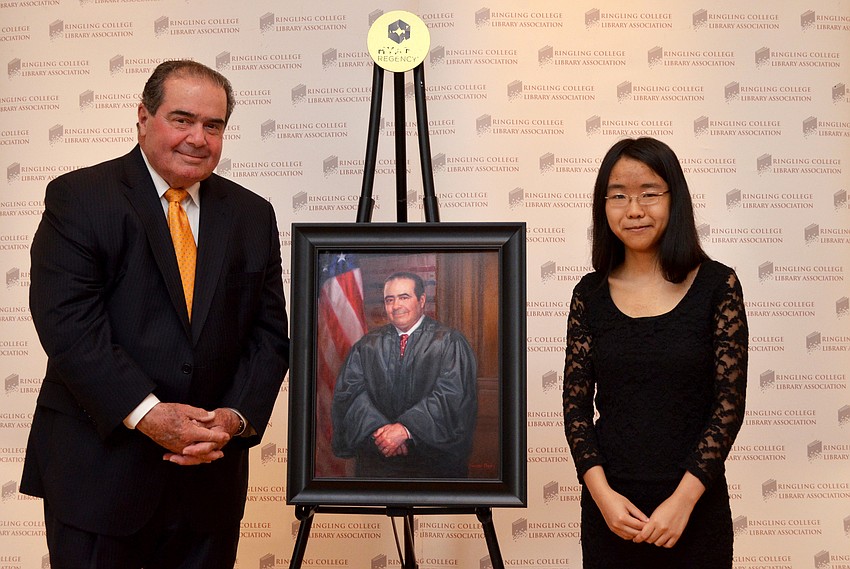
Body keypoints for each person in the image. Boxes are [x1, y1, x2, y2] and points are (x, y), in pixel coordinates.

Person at [21, 60, 290, 568]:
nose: (198, 138)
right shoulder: (79, 197)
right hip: (98, 477)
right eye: (182, 119)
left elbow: (269, 335)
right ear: (143, 118)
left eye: (213, 126)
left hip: (208, 481)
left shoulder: (252, 214)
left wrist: (232, 420)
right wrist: (148, 413)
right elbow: (68, 325)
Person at [563, 137, 748, 568]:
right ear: (603, 206)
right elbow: (575, 410)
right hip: (612, 514)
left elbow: (728, 405)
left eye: (649, 194)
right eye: (618, 196)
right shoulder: (588, 294)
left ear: (674, 198)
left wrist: (682, 501)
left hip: (694, 509)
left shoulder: (718, 286)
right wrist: (603, 497)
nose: (634, 210)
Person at [331, 271, 477, 478]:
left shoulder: (448, 342)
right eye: (389, 300)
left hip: (432, 466)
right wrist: (380, 430)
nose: (396, 306)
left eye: (404, 297)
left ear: (421, 300)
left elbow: (452, 396)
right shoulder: (367, 346)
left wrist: (406, 429)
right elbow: (350, 394)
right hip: (378, 461)